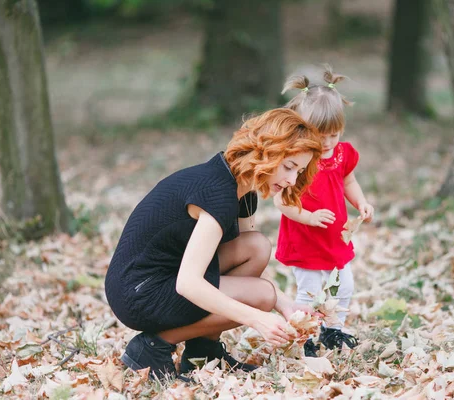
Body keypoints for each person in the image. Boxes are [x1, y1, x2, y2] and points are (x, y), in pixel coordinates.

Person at [104, 108, 323, 381]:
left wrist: (286, 304)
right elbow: (188, 283)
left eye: (299, 171)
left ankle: (203, 352)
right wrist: (257, 317)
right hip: (137, 292)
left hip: (163, 276)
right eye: (289, 167)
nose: (292, 181)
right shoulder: (218, 194)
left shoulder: (241, 186)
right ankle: (151, 347)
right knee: (261, 296)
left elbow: (247, 258)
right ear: (266, 151)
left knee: (256, 247)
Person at [274, 67, 374, 357]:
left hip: (335, 239)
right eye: (321, 136)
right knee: (310, 292)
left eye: (334, 134)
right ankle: (304, 335)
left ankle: (334, 331)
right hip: (305, 239)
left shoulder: (343, 153)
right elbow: (281, 201)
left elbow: (348, 181)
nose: (328, 142)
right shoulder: (297, 158)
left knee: (344, 287)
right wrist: (308, 217)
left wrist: (361, 203)